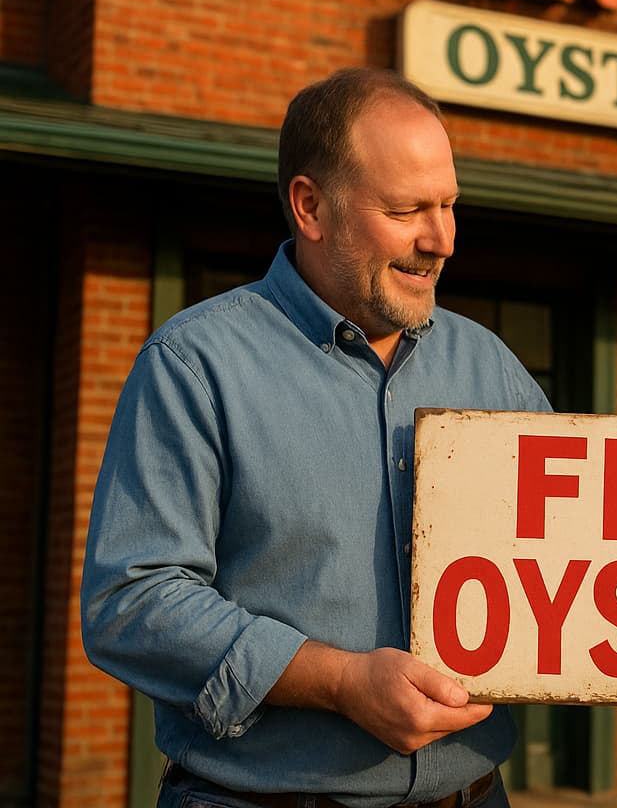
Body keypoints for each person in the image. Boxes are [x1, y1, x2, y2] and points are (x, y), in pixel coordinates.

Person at [81, 68, 551, 808]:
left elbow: (575, 555)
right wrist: (339, 681)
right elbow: (133, 600)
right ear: (311, 207)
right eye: (406, 210)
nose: (442, 240)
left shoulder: (491, 366)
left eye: (449, 205)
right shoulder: (194, 366)